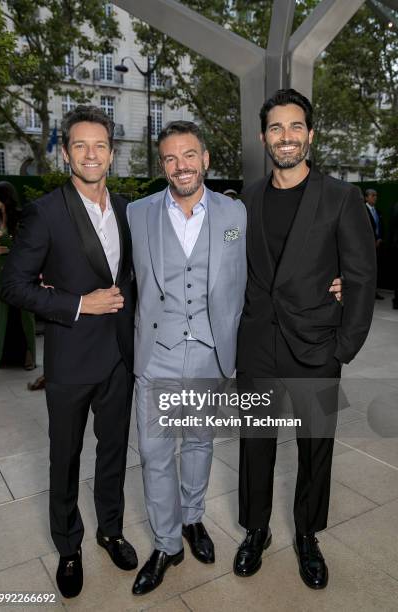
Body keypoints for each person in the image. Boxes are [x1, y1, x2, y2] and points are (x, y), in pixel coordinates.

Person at [126, 120, 342, 596]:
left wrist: (338, 278)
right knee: (155, 453)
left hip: (210, 353)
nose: (180, 165)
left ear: (205, 160)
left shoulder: (238, 213)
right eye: (170, 158)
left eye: (189, 156)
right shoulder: (137, 214)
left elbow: (286, 256)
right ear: (161, 165)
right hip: (157, 354)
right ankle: (165, 544)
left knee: (200, 444)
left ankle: (192, 520)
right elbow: (112, 267)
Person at [234, 89, 376, 589]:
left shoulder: (341, 197)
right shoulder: (245, 200)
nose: (286, 137)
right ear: (263, 137)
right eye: (276, 128)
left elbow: (360, 275)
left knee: (316, 448)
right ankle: (255, 530)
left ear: (310, 135)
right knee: (255, 445)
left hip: (317, 347)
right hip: (256, 346)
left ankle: (308, 536)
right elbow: (230, 267)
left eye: (295, 127)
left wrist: (345, 346)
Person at [0, 106, 137, 599]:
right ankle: (69, 546)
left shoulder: (127, 209)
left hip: (121, 357)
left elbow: (139, 277)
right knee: (66, 456)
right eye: (80, 145)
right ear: (65, 153)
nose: (91, 153)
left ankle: (110, 530)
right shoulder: (47, 211)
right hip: (71, 359)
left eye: (99, 144)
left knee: (115, 454)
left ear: (112, 153)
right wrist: (79, 303)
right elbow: (13, 286)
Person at [0, 182, 36, 370]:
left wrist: (6, 243)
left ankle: (29, 357)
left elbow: (29, 245)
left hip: (19, 273)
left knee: (24, 314)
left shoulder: (21, 216)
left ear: (5, 196)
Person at [365, 188, 384, 300]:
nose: (375, 197)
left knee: (376, 269)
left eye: (376, 195)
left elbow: (380, 226)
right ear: (366, 197)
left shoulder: (377, 211)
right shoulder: (362, 210)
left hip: (377, 245)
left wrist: (380, 238)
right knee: (368, 269)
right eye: (372, 195)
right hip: (367, 246)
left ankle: (374, 292)